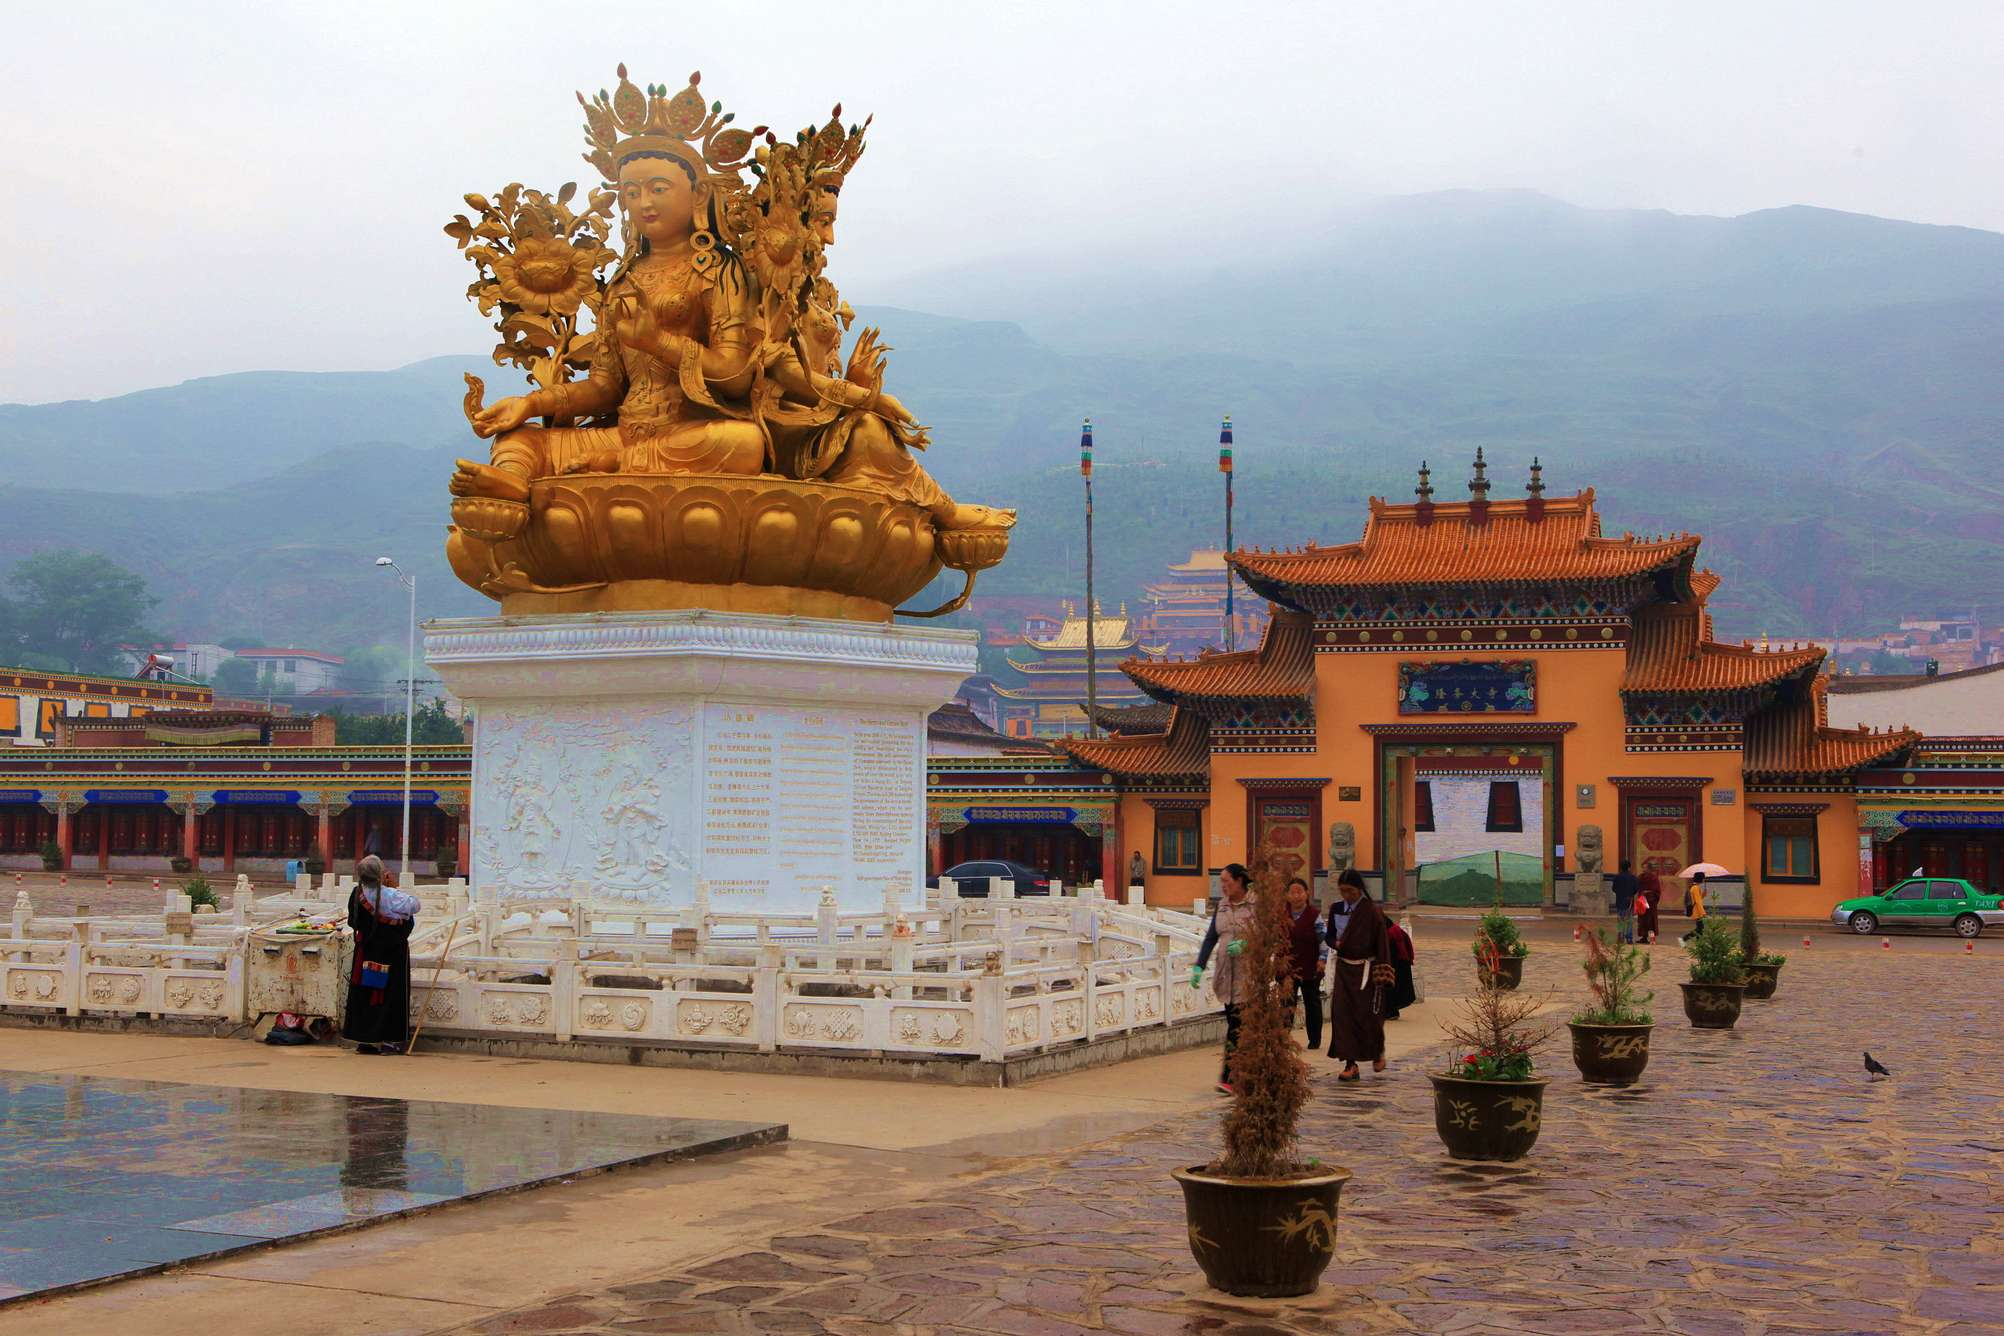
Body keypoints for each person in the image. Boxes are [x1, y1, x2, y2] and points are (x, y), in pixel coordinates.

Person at [1191, 863, 1255, 1094]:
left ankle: (1230, 1076)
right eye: (1222, 881)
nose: (1223, 886)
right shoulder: (1222, 906)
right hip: (1226, 974)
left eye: (1227, 881)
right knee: (1235, 1024)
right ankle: (1244, 1073)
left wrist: (1248, 944)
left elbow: (1269, 934)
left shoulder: (1255, 904)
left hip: (1249, 976)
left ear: (1239, 881)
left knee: (1237, 1027)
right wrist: (1199, 966)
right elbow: (1211, 938)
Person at [343, 855, 417, 1055]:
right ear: (381, 875)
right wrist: (394, 886)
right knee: (390, 994)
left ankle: (365, 1039)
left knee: (366, 993)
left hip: (366, 953)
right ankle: (391, 1041)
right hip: (392, 954)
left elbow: (353, 922)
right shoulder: (392, 896)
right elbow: (414, 907)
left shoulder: (356, 894)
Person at [1326, 869, 1392, 1080]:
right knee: (1343, 1015)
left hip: (1366, 970)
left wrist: (1382, 973)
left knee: (1368, 1015)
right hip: (1344, 969)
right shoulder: (1336, 909)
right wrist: (1334, 943)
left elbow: (1382, 943)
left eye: (1350, 891)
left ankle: (1376, 1051)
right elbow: (1329, 936)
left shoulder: (1372, 911)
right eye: (1343, 891)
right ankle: (1350, 1063)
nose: (1347, 895)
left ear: (1359, 889)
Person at [1281, 876, 1324, 1050]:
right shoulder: (1282, 915)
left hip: (1309, 965)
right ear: (1287, 895)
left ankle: (1314, 1040)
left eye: (1300, 892)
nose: (1296, 896)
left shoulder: (1314, 915)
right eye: (1292, 892)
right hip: (1287, 968)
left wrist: (1323, 959)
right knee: (1286, 1004)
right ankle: (1283, 1038)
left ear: (1307, 894)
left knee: (1312, 1002)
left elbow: (1322, 938)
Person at [1384, 916, 1417, 1020]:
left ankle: (1390, 1012)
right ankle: (1391, 1011)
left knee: (1389, 987)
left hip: (1395, 964)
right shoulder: (1397, 930)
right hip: (1402, 962)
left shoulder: (1388, 934)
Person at [1611, 859, 1640, 945]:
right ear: (1629, 867)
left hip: (1620, 900)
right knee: (1629, 920)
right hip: (1629, 901)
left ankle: (1620, 937)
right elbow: (1636, 889)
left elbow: (1614, 889)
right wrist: (1630, 894)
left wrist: (1620, 893)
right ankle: (1629, 938)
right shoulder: (1633, 878)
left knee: (1620, 920)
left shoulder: (1617, 877)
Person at [1681, 870, 1709, 943]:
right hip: (1697, 911)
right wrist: (1703, 912)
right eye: (1703, 878)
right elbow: (1698, 902)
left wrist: (1703, 895)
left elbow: (1697, 899)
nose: (1704, 879)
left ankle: (1699, 943)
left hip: (1696, 910)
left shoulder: (1693, 887)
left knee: (1700, 928)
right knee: (1700, 928)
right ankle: (1684, 939)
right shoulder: (1696, 888)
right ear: (1700, 878)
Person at [1635, 869, 1662, 944]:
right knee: (1644, 921)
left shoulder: (1653, 878)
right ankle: (1645, 938)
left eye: (1645, 869)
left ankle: (1652, 939)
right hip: (1645, 902)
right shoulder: (1641, 877)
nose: (1644, 871)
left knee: (1650, 921)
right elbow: (1637, 887)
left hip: (1650, 902)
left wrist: (1646, 892)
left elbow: (1656, 891)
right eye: (1643, 869)